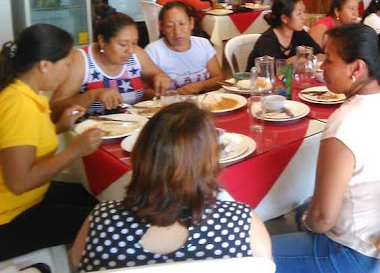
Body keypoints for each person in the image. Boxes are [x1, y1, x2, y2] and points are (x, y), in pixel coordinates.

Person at [271, 24, 380, 272]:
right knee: (305, 210)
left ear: (357, 68)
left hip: (358, 254)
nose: (322, 66)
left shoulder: (345, 121)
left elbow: (323, 219)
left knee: (253, 250)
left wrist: (309, 221)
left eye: (329, 60)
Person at [72, 102, 272, 270]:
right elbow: (264, 266)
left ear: (140, 155)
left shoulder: (101, 222)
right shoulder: (242, 222)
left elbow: (77, 261)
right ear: (210, 160)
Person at [0, 24, 102, 261]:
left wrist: (59, 127)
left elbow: (21, 146)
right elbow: (19, 181)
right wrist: (75, 150)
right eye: (66, 64)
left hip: (28, 199)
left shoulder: (26, 93)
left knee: (95, 197)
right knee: (101, 223)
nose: (68, 71)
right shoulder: (18, 106)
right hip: (10, 216)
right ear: (44, 66)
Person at [50, 6, 172, 116]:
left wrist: (160, 78)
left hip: (132, 128)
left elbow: (157, 76)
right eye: (123, 44)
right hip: (91, 133)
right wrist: (92, 96)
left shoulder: (136, 54)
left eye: (134, 43)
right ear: (102, 41)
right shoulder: (82, 60)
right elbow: (54, 110)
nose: (130, 50)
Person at [145, 2, 224, 94]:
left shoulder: (203, 44)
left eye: (182, 24)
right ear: (161, 27)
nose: (177, 31)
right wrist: (168, 95)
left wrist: (199, 86)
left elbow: (219, 78)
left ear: (191, 23)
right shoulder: (153, 51)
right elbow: (144, 91)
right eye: (169, 26)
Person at [246, 0, 323, 71]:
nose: (304, 17)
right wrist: (293, 61)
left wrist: (306, 59)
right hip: (259, 81)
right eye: (299, 13)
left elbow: (320, 54)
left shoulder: (299, 33)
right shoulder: (267, 40)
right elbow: (275, 71)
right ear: (285, 18)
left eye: (303, 12)